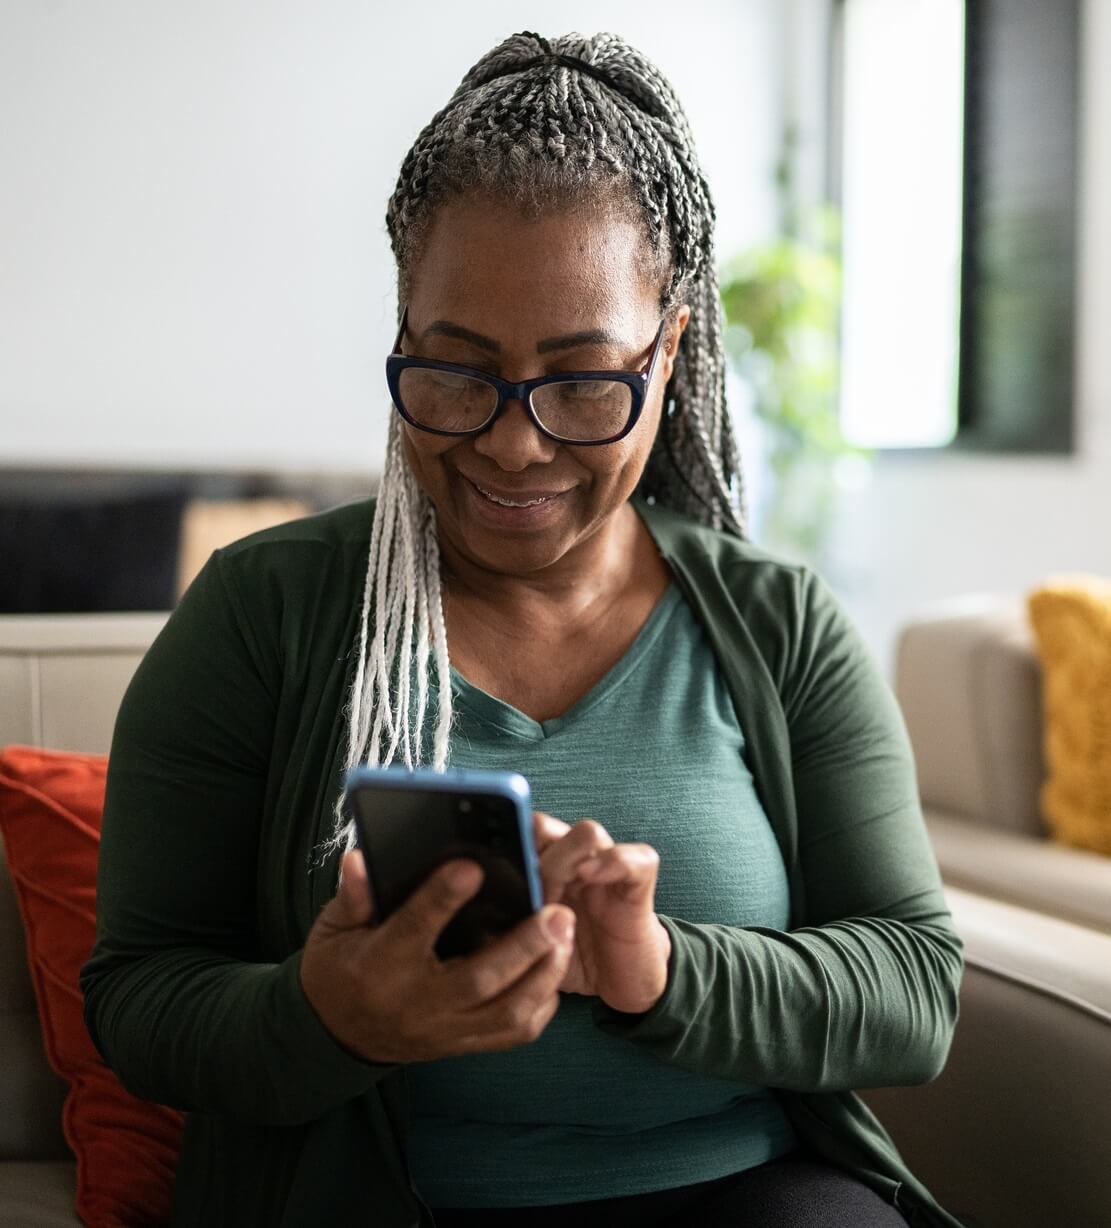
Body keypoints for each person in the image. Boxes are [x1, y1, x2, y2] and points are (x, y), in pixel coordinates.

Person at [80, 30, 966, 1228]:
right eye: (455, 371)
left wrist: (656, 968)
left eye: (584, 380)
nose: (511, 442)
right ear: (402, 331)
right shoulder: (260, 613)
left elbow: (912, 986)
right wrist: (327, 1012)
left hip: (747, 1191)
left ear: (672, 349)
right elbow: (141, 999)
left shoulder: (780, 626)